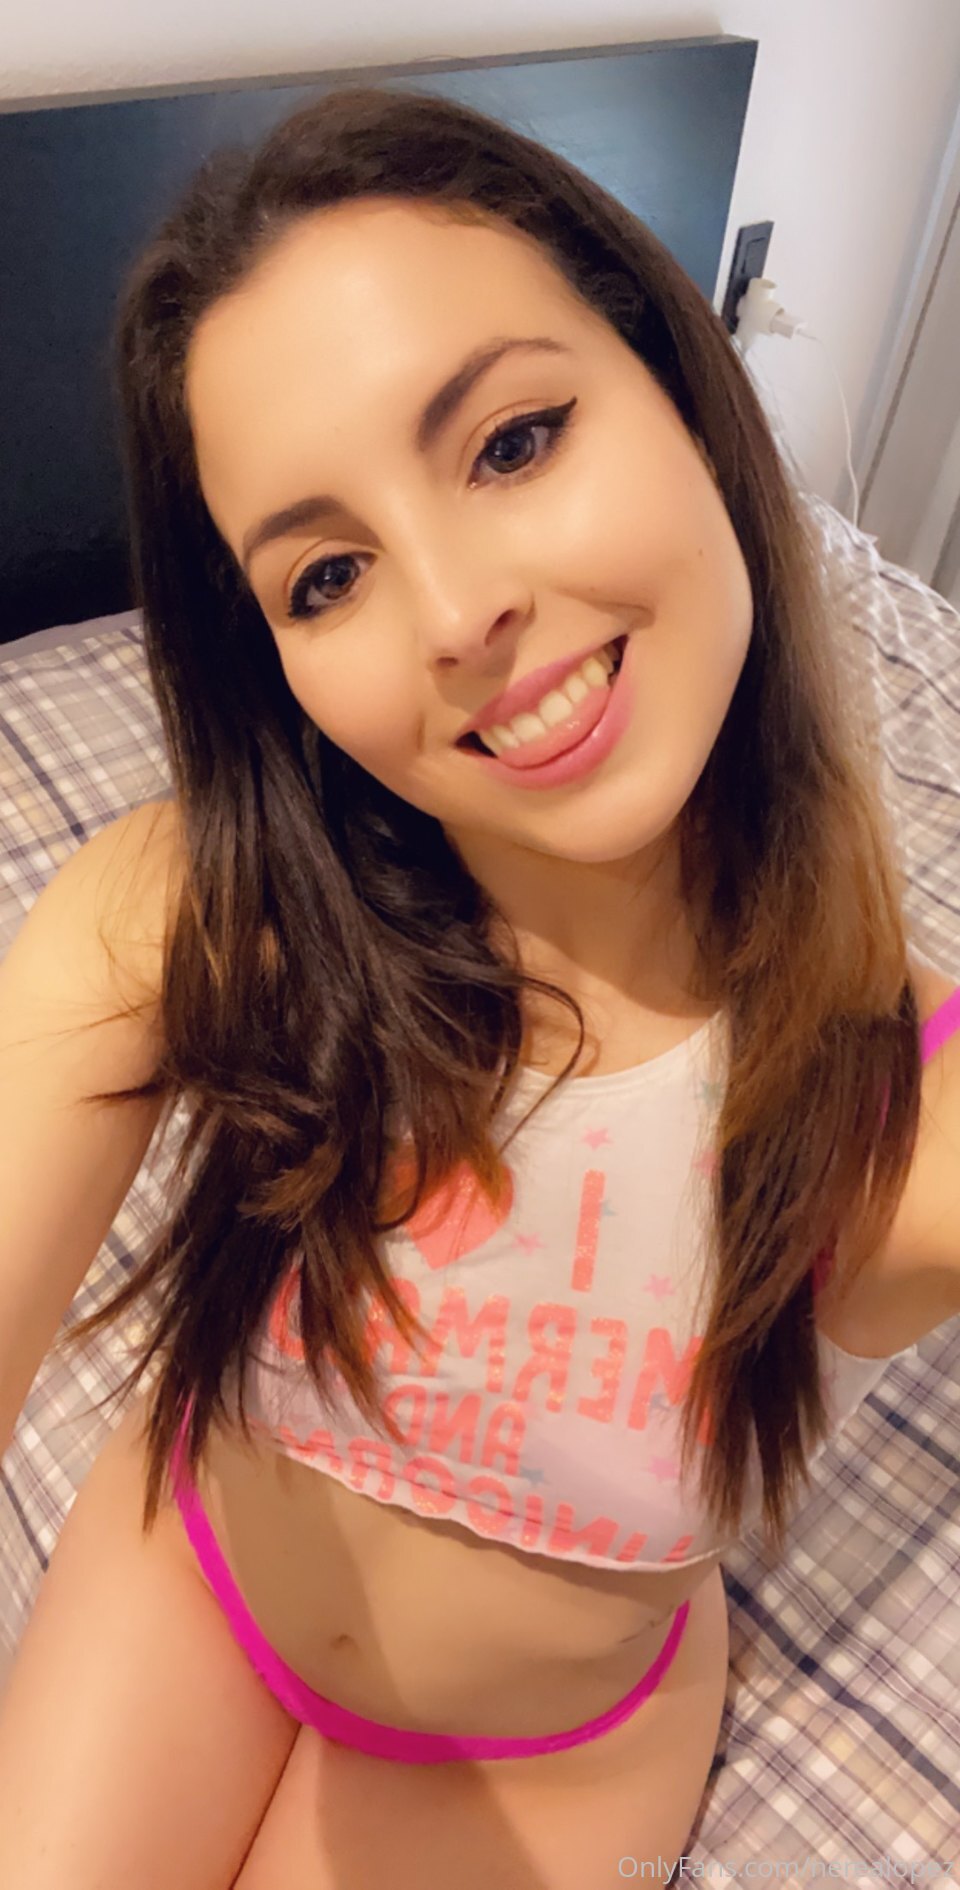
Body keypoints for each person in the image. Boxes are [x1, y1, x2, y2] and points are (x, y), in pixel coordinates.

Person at [0, 85, 958, 1889]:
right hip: (196, 1571)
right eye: (328, 575)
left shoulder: (902, 1111)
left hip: (541, 1751)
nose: (451, 615)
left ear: (685, 388)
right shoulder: (196, 917)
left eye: (514, 440)